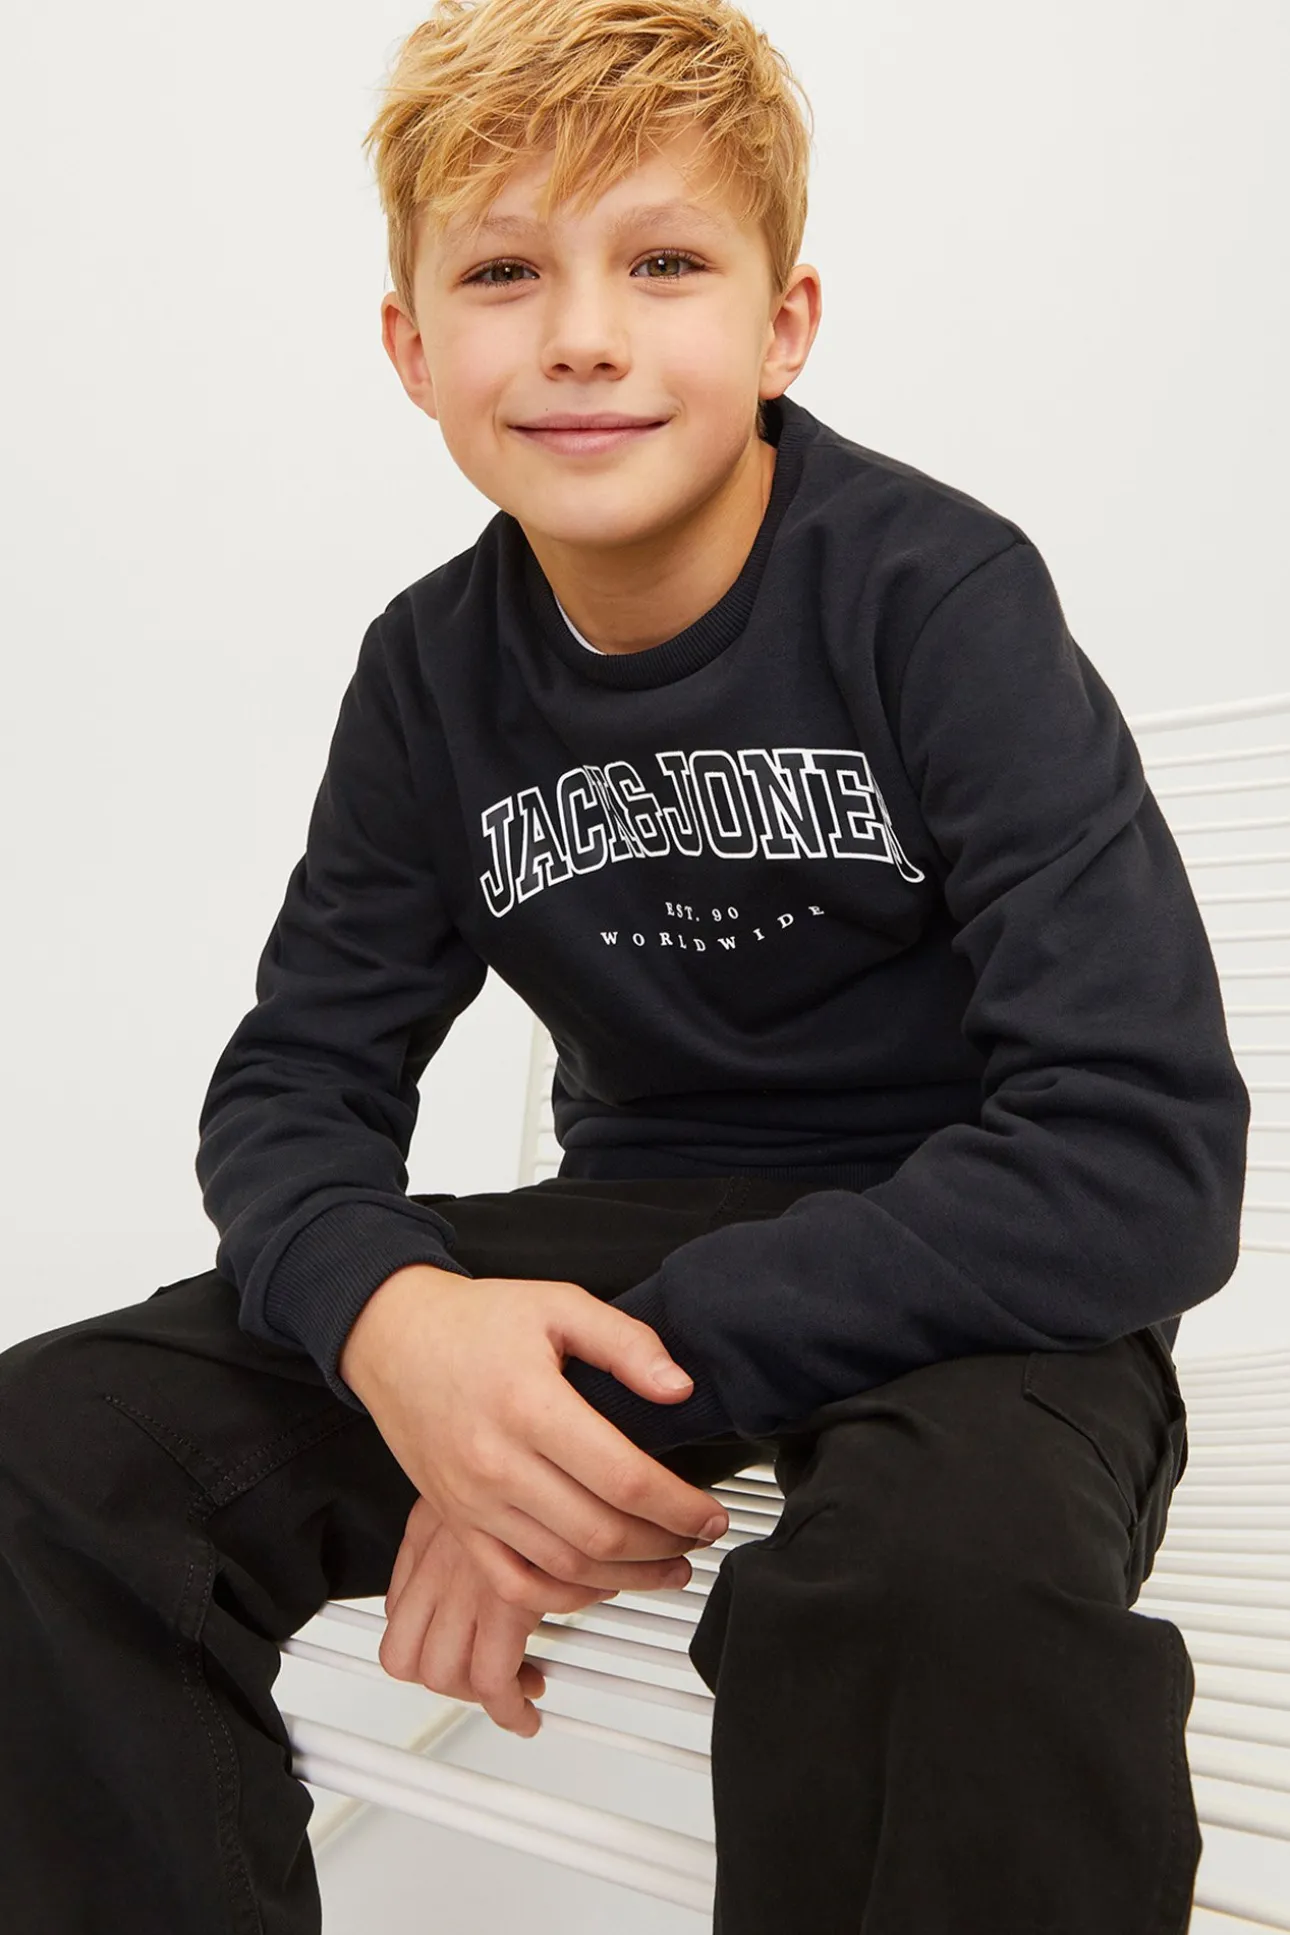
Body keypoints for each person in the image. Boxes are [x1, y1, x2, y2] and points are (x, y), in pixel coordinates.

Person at [0, 0, 1249, 1929]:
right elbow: (295, 1085)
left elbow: (1138, 1148)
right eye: (504, 272)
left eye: (663, 263)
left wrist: (580, 1417)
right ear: (413, 348)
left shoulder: (936, 596)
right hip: (641, 1228)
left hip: (985, 1256)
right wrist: (399, 1330)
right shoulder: (430, 669)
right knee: (48, 1457)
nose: (582, 334)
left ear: (783, 324)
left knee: (939, 1595)